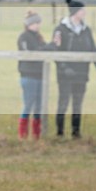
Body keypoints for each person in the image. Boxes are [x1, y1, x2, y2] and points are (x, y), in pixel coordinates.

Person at [52, 0, 96, 138]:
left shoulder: (86, 30)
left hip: (82, 73)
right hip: (65, 75)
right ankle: (60, 133)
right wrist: (64, 67)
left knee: (77, 104)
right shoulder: (60, 29)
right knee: (63, 102)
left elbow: (93, 49)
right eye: (82, 10)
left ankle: (76, 132)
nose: (84, 12)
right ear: (75, 12)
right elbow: (56, 51)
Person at [16, 10, 60, 140]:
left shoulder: (39, 38)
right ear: (28, 24)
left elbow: (46, 50)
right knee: (28, 104)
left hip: (40, 76)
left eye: (38, 23)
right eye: (34, 23)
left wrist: (54, 45)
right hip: (28, 75)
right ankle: (23, 135)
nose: (37, 25)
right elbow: (31, 53)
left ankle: (36, 135)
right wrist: (51, 46)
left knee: (39, 106)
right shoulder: (23, 37)